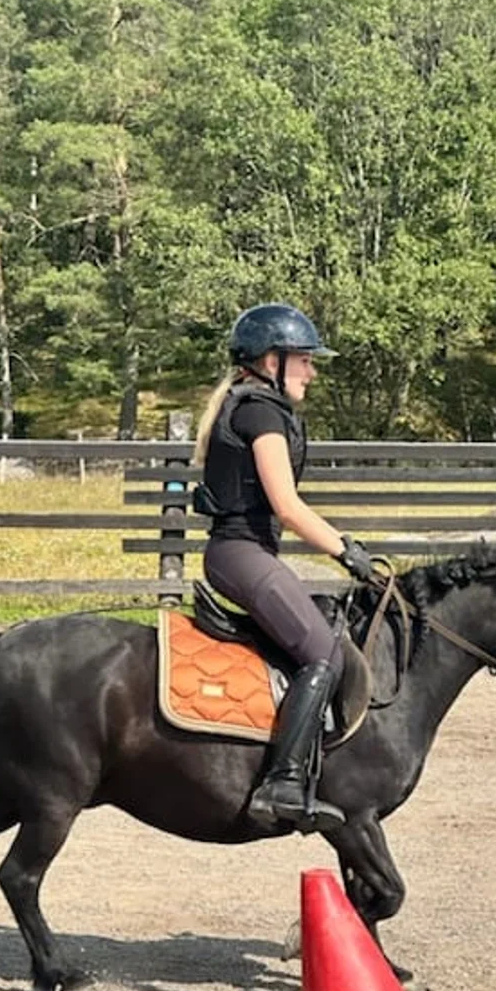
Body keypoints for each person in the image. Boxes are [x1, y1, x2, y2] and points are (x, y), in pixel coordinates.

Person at [192, 302, 375, 833]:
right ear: (270, 361)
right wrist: (346, 552)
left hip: (246, 554)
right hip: (240, 554)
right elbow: (288, 507)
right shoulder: (261, 413)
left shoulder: (249, 405)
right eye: (304, 360)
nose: (312, 372)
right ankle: (283, 782)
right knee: (321, 652)